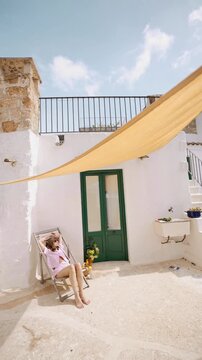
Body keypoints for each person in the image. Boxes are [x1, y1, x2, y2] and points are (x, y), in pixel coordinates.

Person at [39, 232, 90, 309]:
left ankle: (81, 294)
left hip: (68, 268)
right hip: (58, 271)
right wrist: (47, 237)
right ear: (50, 243)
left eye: (57, 240)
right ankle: (77, 297)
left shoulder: (60, 247)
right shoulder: (48, 251)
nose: (57, 241)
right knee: (72, 267)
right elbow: (40, 241)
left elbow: (60, 236)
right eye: (55, 241)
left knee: (78, 265)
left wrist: (55, 235)